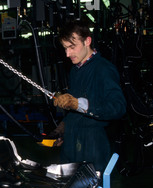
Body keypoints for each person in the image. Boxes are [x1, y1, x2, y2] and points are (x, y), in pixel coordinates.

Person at [51, 20, 126, 173]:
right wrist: (62, 129)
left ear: (87, 41)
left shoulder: (103, 69)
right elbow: (74, 111)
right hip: (71, 145)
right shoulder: (75, 70)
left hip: (93, 146)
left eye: (72, 47)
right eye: (65, 48)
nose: (67, 54)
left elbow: (118, 107)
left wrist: (80, 104)